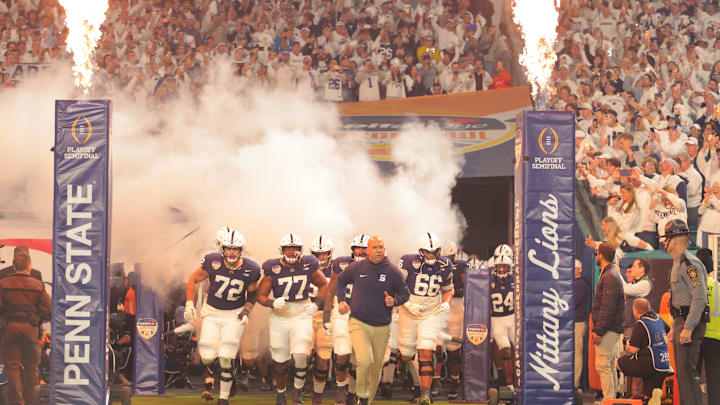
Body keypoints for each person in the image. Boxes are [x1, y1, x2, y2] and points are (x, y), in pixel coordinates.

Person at [184, 227, 261, 405]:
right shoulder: (212, 261)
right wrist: (189, 303)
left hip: (234, 314)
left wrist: (247, 310)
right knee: (207, 355)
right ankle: (226, 376)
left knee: (226, 354)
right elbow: (193, 279)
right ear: (222, 248)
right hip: (212, 311)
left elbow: (252, 294)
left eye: (235, 249)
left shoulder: (251, 268)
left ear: (242, 249)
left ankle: (224, 398)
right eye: (228, 248)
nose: (232, 252)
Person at [336, 235, 410, 405]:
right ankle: (361, 395)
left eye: (381, 247)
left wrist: (395, 301)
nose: (378, 250)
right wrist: (341, 300)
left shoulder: (393, 271)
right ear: (367, 250)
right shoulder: (356, 267)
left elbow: (405, 294)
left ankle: (367, 400)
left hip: (382, 326)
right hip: (358, 323)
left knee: (376, 368)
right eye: (374, 247)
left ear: (385, 250)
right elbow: (340, 280)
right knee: (364, 360)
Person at [256, 233, 328, 405]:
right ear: (282, 250)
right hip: (280, 316)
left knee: (302, 354)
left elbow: (324, 284)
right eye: (288, 249)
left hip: (301, 312)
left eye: (295, 249)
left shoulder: (309, 264)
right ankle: (281, 392)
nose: (291, 253)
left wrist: (317, 304)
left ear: (300, 250)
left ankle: (298, 390)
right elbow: (260, 295)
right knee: (280, 361)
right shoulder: (272, 268)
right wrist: (272, 303)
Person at [397, 233, 453, 404]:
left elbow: (448, 289)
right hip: (409, 310)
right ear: (421, 252)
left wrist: (446, 302)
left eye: (435, 252)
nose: (432, 255)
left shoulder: (445, 265)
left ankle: (425, 394)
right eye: (428, 252)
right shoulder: (408, 261)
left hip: (430, 312)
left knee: (426, 352)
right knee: (407, 353)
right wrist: (406, 304)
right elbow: (395, 286)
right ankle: (402, 365)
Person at [661, 219, 708, 405]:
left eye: (666, 238)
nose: (664, 243)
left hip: (690, 323)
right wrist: (676, 326)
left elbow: (699, 298)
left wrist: (688, 327)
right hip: (683, 321)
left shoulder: (689, 264)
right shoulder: (679, 262)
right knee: (684, 374)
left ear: (674, 240)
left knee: (688, 374)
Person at [0, 246, 51, 405]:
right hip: (30, 329)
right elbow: (48, 310)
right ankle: (31, 400)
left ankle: (18, 402)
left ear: (14, 265)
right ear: (29, 265)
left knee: (12, 366)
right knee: (32, 367)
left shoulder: (3, 282)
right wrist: (36, 318)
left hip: (9, 328)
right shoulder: (37, 283)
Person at [323, 233, 369, 405]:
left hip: (365, 315)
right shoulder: (341, 264)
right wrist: (326, 316)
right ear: (352, 249)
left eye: (365, 249)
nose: (361, 252)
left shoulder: (380, 267)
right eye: (358, 248)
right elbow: (330, 290)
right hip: (342, 312)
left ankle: (354, 392)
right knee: (341, 353)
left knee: (360, 358)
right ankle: (341, 389)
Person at [617, 298, 672, 404]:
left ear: (635, 310)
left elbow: (633, 350)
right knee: (651, 395)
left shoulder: (641, 323)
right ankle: (653, 396)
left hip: (650, 364)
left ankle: (615, 394)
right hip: (664, 365)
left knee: (618, 362)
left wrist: (628, 345)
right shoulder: (659, 319)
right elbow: (670, 333)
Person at [591, 242, 625, 401]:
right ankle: (610, 400)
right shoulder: (609, 273)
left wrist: (598, 330)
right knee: (609, 367)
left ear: (601, 256)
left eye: (597, 253)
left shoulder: (610, 276)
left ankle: (608, 400)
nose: (596, 256)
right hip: (612, 328)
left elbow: (607, 307)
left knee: (603, 366)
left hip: (608, 329)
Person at [307, 235, 334, 405]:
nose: (321, 257)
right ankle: (300, 387)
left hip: (326, 316)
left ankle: (317, 393)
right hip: (306, 315)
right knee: (302, 355)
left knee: (323, 358)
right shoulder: (304, 267)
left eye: (324, 254)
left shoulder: (338, 269)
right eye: (318, 254)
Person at [442, 240, 468, 400]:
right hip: (436, 304)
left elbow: (468, 286)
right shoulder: (432, 265)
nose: (448, 260)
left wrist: (458, 290)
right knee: (435, 348)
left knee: (454, 349)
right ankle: (434, 383)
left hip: (455, 306)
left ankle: (454, 381)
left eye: (450, 257)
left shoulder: (462, 266)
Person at [490, 254, 515, 390]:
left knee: (520, 350)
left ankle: (520, 380)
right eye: (499, 268)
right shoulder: (489, 281)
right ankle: (509, 384)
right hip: (497, 319)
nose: (501, 271)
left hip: (513, 317)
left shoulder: (515, 280)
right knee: (505, 351)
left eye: (504, 268)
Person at [701, 261, 720, 405]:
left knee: (693, 376)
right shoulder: (719, 288)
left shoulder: (695, 287)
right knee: (714, 377)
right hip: (716, 338)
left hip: (697, 336)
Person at [574, 259, 590, 394]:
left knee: (577, 352)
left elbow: (573, 302)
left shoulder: (581, 284)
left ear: (580, 270)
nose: (572, 271)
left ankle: (575, 383)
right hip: (572, 322)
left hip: (577, 322)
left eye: (575, 268)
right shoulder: (573, 283)